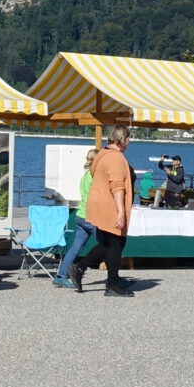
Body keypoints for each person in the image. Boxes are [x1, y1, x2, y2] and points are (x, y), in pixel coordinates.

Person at [56, 126, 138, 295]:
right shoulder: (115, 157)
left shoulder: (101, 155)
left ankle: (81, 268)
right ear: (122, 139)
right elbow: (117, 186)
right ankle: (111, 285)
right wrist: (121, 211)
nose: (129, 141)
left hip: (96, 206)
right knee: (115, 243)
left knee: (110, 243)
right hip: (110, 206)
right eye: (128, 138)